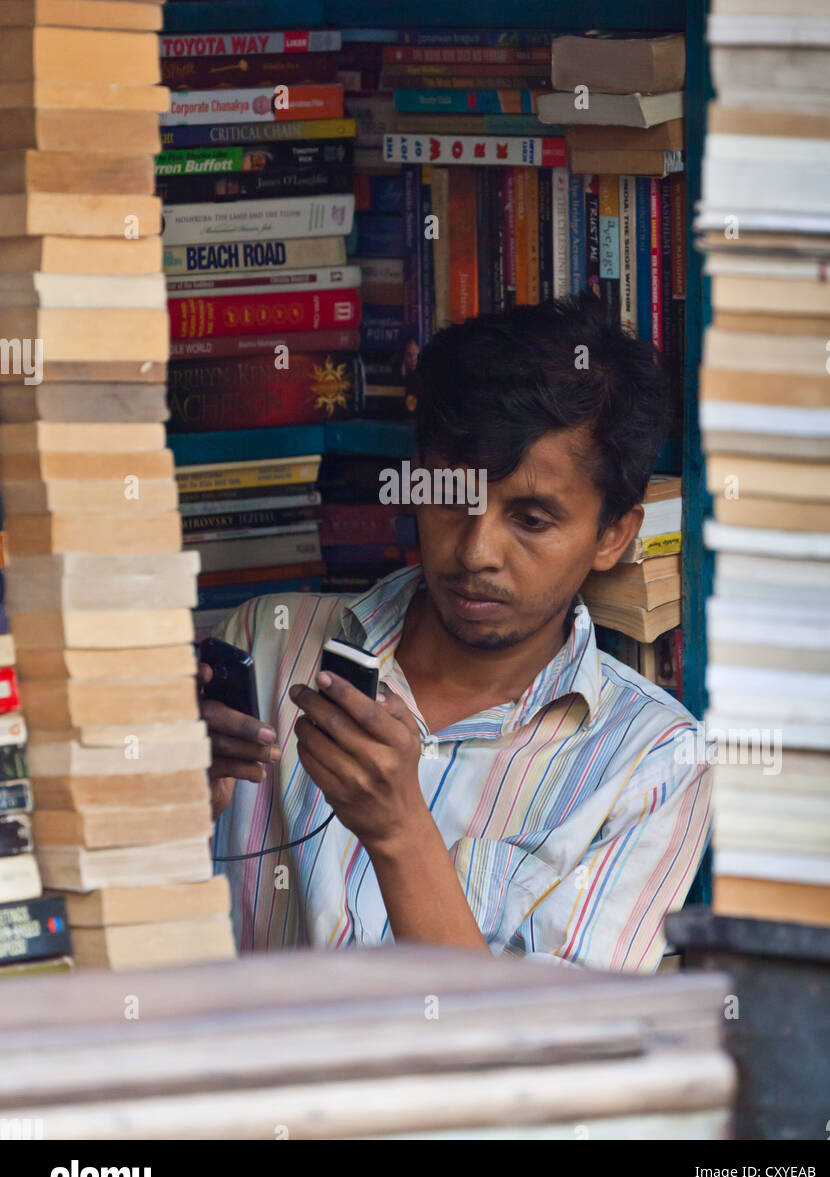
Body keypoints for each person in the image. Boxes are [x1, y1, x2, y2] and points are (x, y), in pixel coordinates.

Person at [201, 295, 710, 967]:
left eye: (530, 519)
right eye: (450, 497)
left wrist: (400, 831)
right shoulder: (266, 646)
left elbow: (554, 1054)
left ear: (613, 535)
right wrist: (159, 802)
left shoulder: (653, 763)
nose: (476, 552)